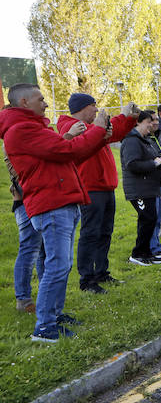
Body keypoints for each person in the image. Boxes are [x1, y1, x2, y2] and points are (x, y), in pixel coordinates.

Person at [0, 83, 109, 342]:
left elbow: (68, 156)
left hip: (60, 202)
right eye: (41, 99)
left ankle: (54, 315)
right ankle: (45, 327)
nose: (46, 104)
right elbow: (68, 150)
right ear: (24, 102)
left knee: (61, 265)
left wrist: (98, 135)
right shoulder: (22, 129)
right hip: (51, 205)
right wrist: (99, 129)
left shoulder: (31, 128)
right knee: (57, 266)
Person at [57, 93, 138, 293]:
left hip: (104, 187)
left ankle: (101, 272)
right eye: (93, 106)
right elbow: (95, 134)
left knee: (104, 233)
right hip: (90, 187)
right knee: (90, 234)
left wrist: (129, 119)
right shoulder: (69, 126)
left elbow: (113, 133)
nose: (96, 110)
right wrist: (122, 116)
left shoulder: (91, 127)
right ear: (82, 107)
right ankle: (87, 280)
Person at [121, 111, 161, 265]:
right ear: (138, 123)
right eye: (149, 121)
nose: (152, 124)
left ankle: (147, 253)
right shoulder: (131, 141)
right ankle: (137, 254)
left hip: (148, 188)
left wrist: (159, 161)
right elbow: (132, 164)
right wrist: (155, 163)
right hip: (138, 189)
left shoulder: (144, 140)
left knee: (151, 219)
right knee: (147, 218)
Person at [5, 152, 43, 312]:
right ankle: (23, 300)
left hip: (37, 199)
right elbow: (20, 171)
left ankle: (45, 294)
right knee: (29, 249)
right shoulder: (13, 135)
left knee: (43, 250)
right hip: (26, 201)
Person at [148, 113, 161, 260]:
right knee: (153, 218)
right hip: (152, 185)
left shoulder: (159, 137)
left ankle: (156, 246)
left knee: (159, 217)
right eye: (152, 120)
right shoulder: (144, 140)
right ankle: (152, 248)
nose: (156, 122)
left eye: (157, 119)